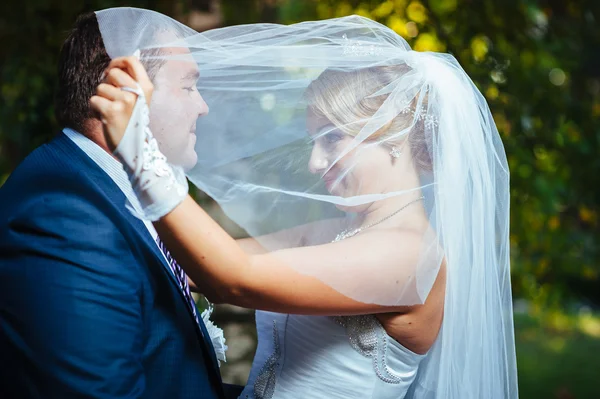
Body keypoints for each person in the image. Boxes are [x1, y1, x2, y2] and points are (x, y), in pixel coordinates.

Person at [91, 8, 518, 399]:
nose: (315, 162)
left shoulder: (411, 256)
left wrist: (141, 153)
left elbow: (232, 279)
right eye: (314, 141)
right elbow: (196, 264)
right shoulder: (327, 232)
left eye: (332, 138)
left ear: (392, 137)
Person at [0, 11, 239, 399]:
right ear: (124, 86)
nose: (203, 106)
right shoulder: (65, 218)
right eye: (188, 86)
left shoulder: (107, 188)